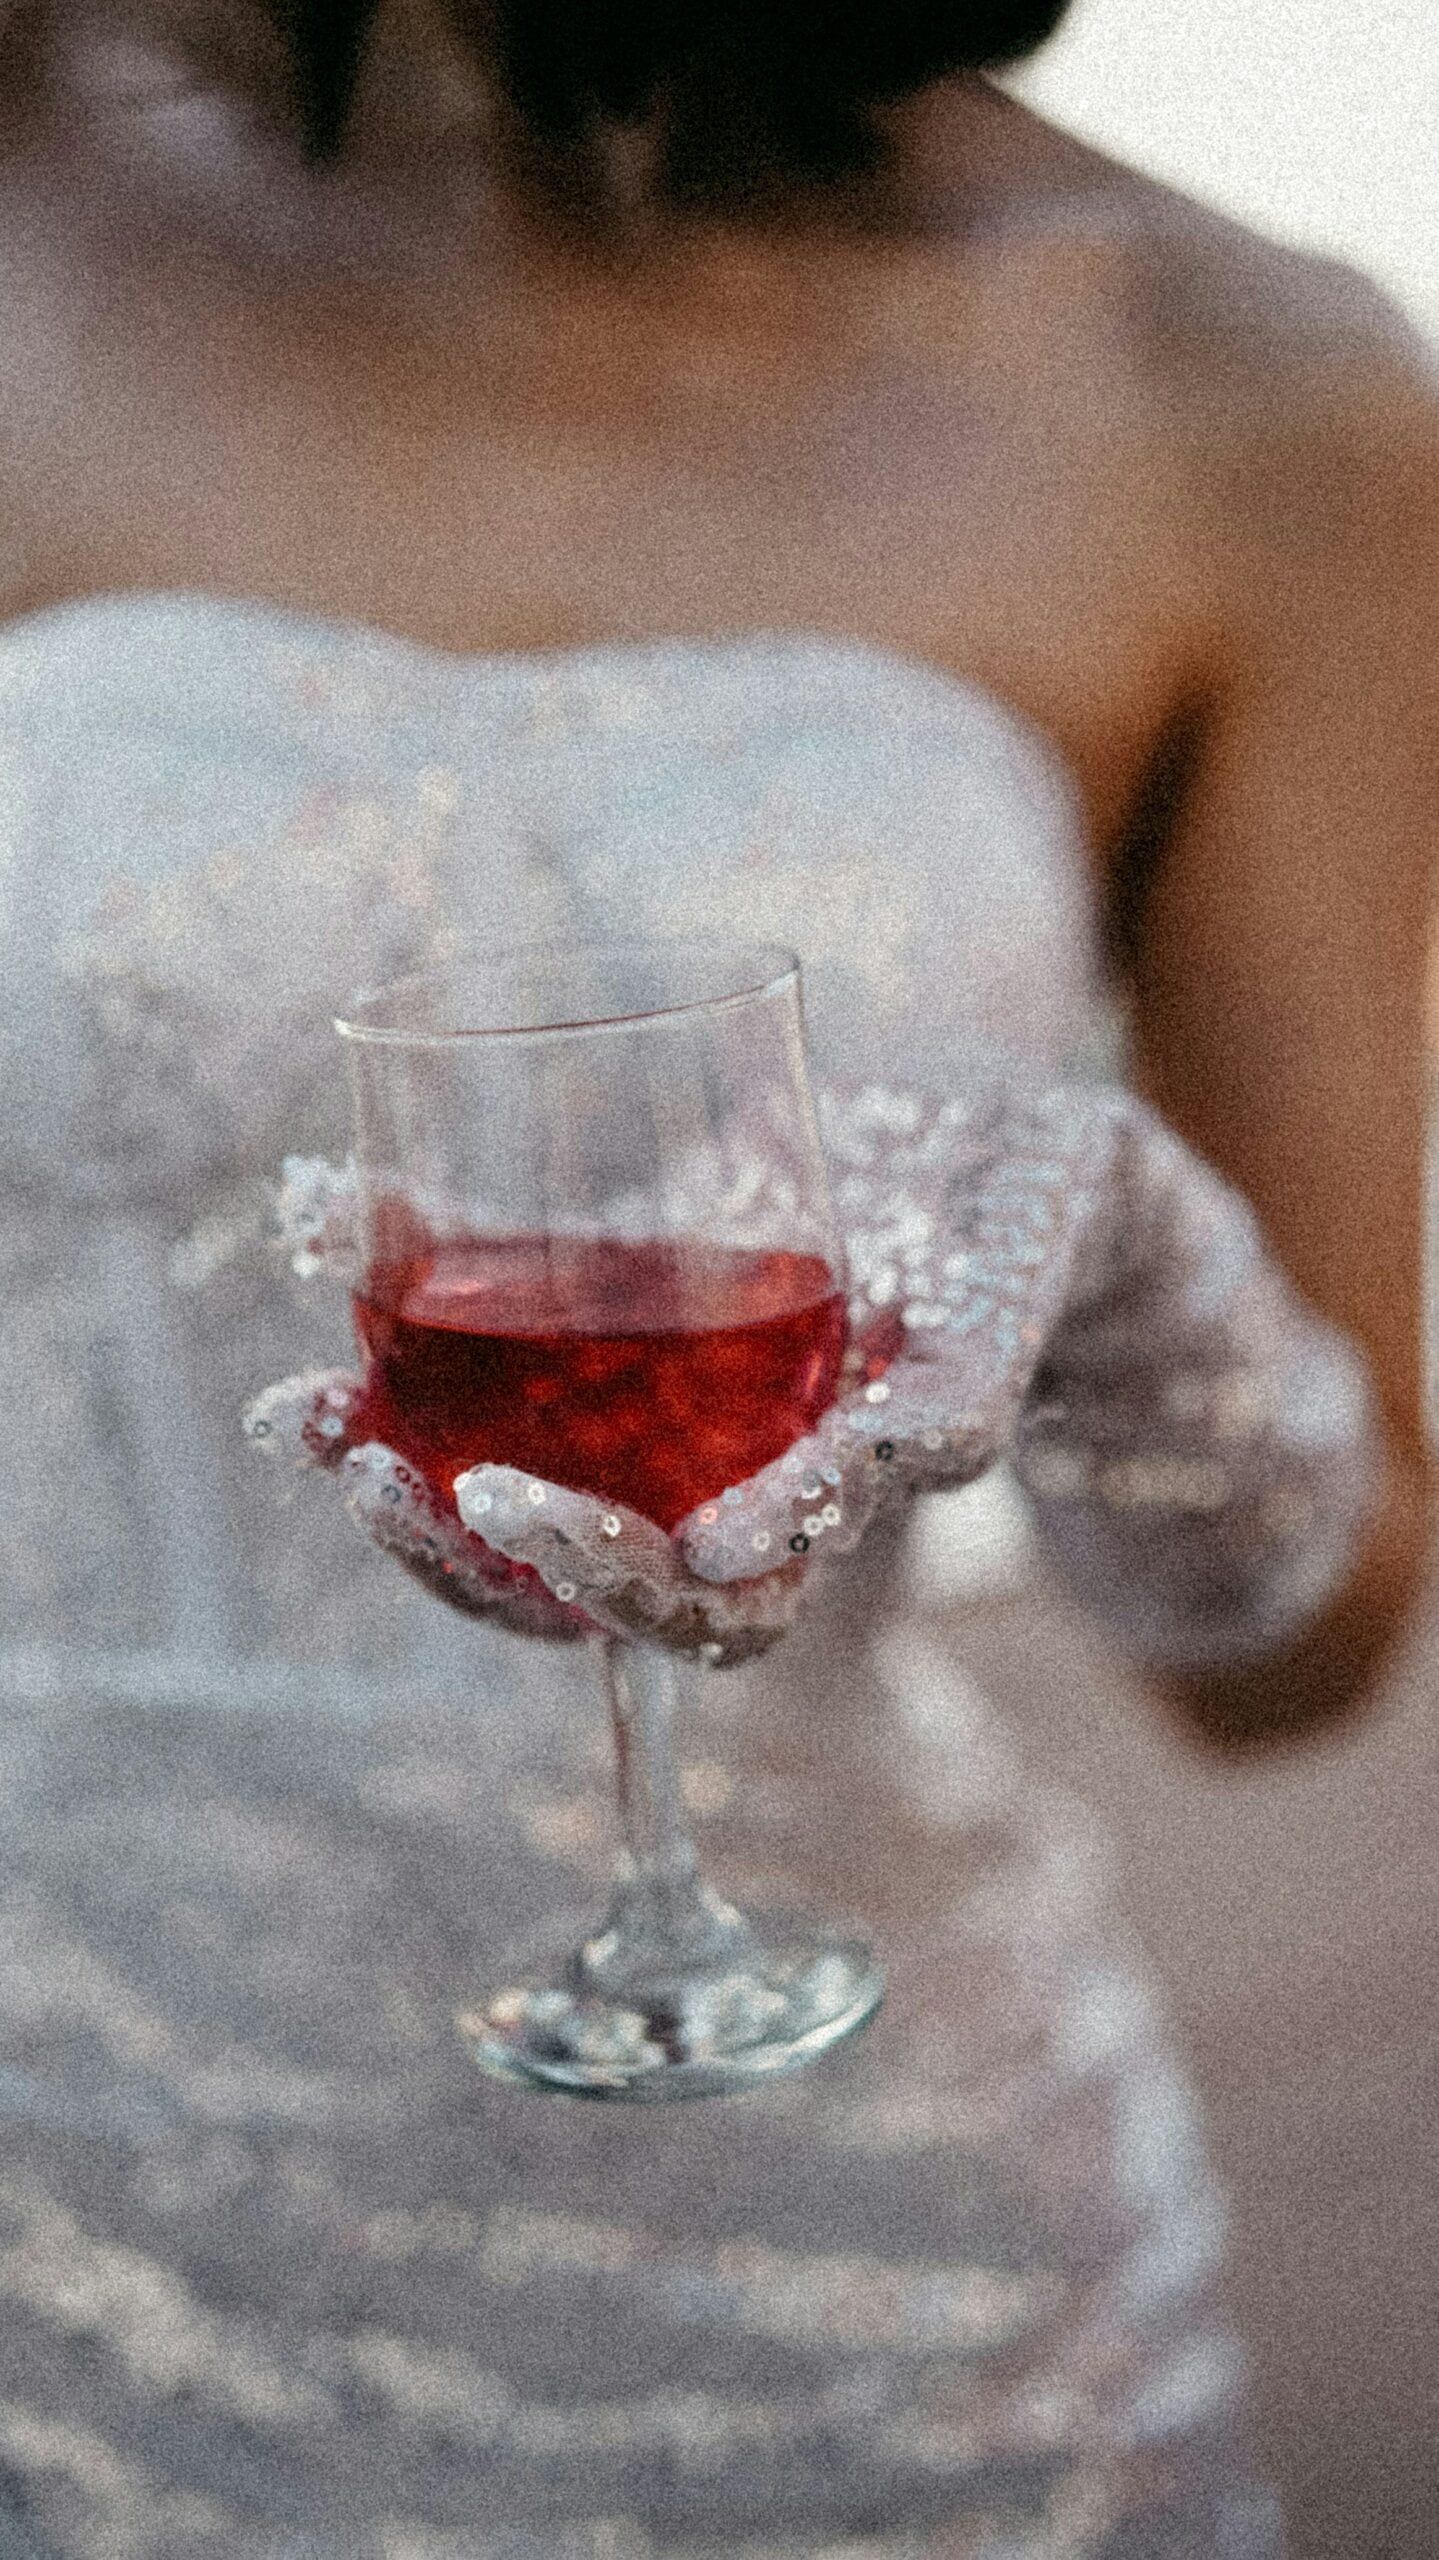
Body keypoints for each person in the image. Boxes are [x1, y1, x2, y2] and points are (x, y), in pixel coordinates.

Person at [0, 2, 1433, 2552]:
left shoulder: (1235, 380)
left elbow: (1297, 1658)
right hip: (57, 2229)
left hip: (878, 2269)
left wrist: (1128, 1269)